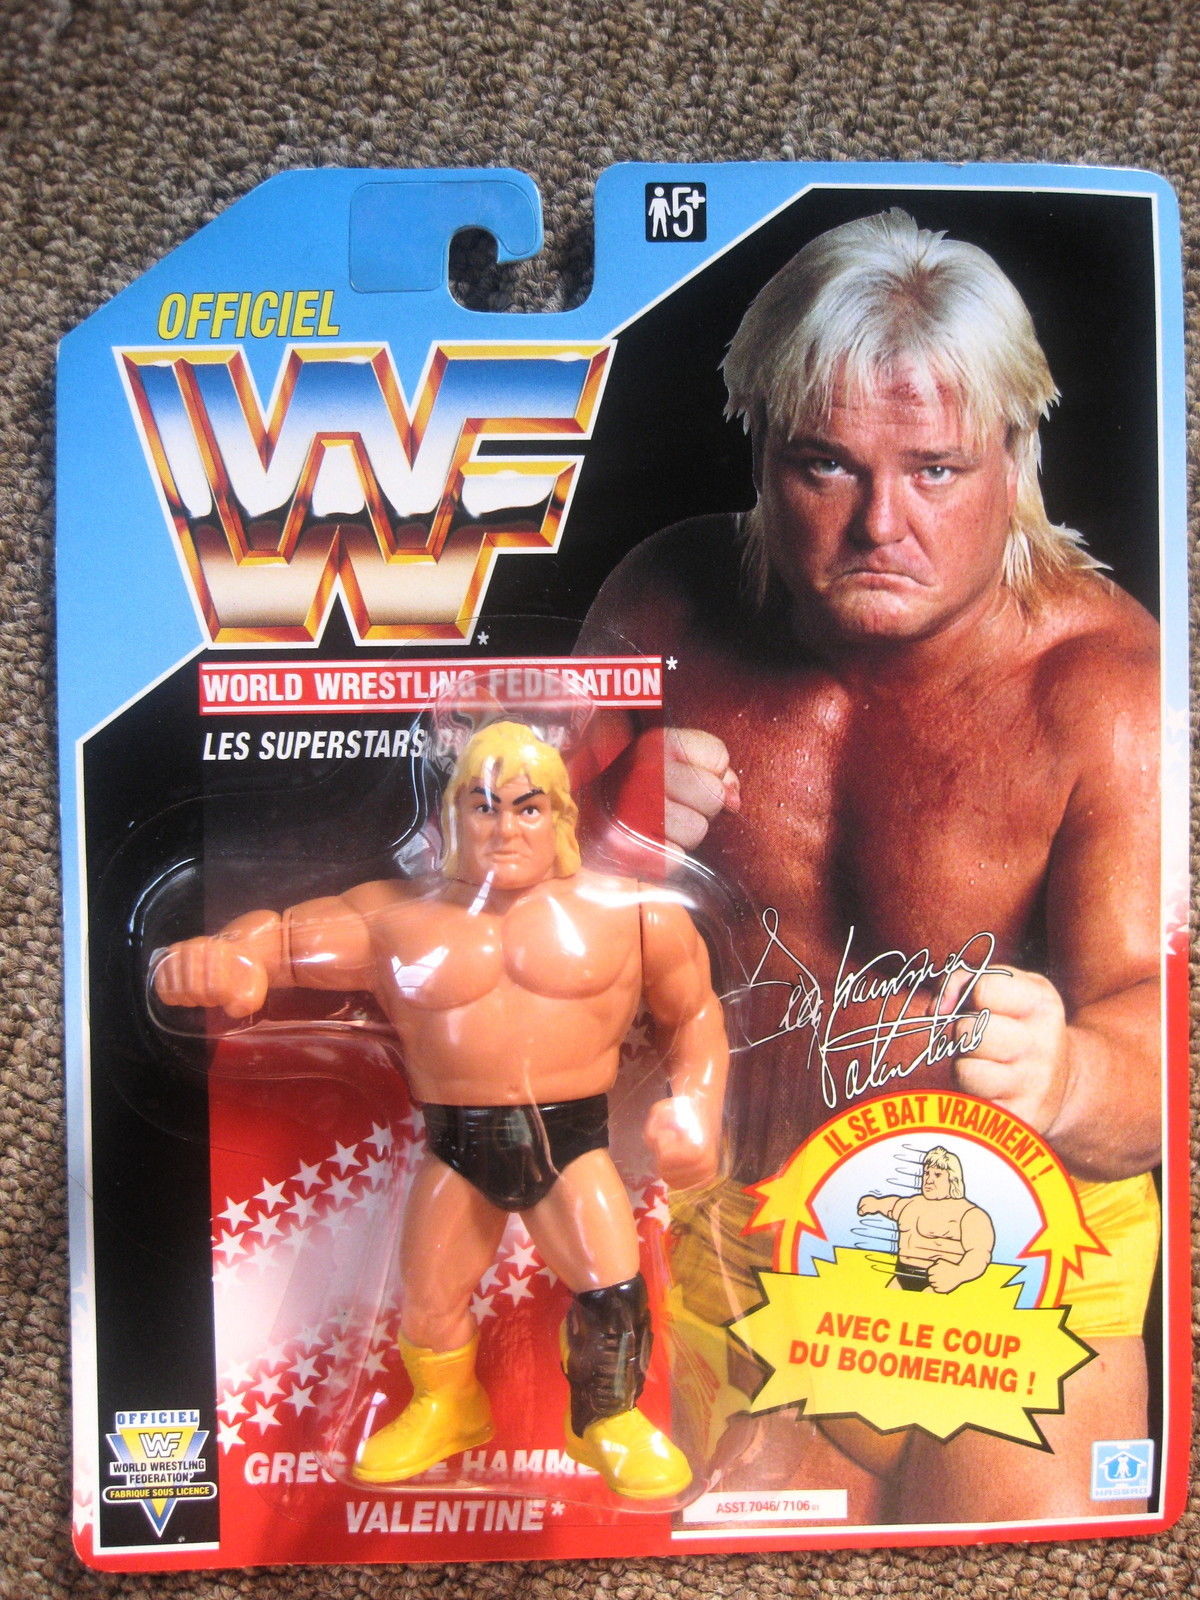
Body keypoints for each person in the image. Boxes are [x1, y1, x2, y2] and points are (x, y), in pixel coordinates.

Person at [576, 210, 1160, 1521]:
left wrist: (1069, 1071)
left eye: (937, 470)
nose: (879, 523)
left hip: (1005, 1255)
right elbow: (477, 919)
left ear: (1016, 456)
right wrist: (603, 837)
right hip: (722, 1241)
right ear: (761, 444)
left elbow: (1159, 1044)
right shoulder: (664, 607)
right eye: (826, 465)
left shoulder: (1100, 685)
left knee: (1038, 1557)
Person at [152, 720, 728, 1500]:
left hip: (571, 1142)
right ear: (451, 816)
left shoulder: (633, 913)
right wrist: (215, 962)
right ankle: (448, 1405)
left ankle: (609, 1419)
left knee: (611, 1286)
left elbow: (694, 1017)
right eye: (483, 806)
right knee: (428, 1297)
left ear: (561, 815)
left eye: (527, 807)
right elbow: (277, 942)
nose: (504, 828)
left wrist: (696, 1108)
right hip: (458, 1143)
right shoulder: (395, 917)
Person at [858, 1147, 995, 1294]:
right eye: (926, 1173)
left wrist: (958, 1273)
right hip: (901, 1276)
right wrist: (875, 1203)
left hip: (936, 1282)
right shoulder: (911, 1204)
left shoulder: (969, 1214)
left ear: (952, 1179)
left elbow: (979, 1253)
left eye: (937, 1175)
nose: (929, 1180)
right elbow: (892, 1205)